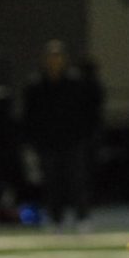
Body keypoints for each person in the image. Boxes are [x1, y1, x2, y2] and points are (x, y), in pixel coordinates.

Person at [21, 39, 98, 231]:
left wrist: (85, 136)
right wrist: (32, 141)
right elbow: (29, 116)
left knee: (77, 181)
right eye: (51, 57)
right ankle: (56, 219)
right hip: (48, 143)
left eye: (58, 57)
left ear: (64, 60)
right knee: (52, 182)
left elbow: (87, 112)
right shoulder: (36, 85)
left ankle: (83, 218)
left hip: (73, 141)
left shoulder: (75, 83)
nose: (55, 61)